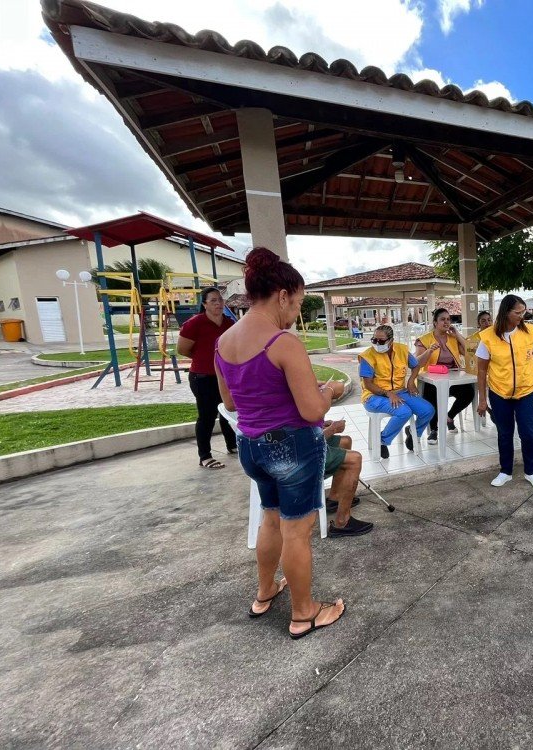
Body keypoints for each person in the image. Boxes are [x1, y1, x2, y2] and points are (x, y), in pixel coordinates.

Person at [215, 247, 347, 639]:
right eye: (300, 302)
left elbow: (231, 402)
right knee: (296, 530)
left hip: (253, 448)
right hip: (292, 449)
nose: (297, 313)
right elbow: (311, 411)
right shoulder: (282, 342)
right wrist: (332, 391)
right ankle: (304, 612)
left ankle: (265, 591)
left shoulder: (223, 342)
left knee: (270, 519)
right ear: (283, 295)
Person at [475, 295, 533, 490]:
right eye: (518, 312)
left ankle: (531, 471)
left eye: (523, 311)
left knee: (529, 434)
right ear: (506, 312)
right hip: (500, 394)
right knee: (504, 434)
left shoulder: (530, 332)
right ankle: (505, 471)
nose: (522, 316)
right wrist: (483, 399)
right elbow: (481, 371)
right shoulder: (488, 337)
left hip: (527, 392)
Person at [177, 287, 237, 469]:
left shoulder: (229, 323)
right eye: (213, 300)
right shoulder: (195, 323)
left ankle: (232, 445)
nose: (218, 303)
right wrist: (204, 359)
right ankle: (205, 456)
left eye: (220, 299)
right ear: (204, 304)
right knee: (207, 416)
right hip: (202, 377)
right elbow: (183, 349)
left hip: (225, 377)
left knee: (228, 412)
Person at [359, 324, 436, 459]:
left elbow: (416, 365)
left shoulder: (401, 350)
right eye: (374, 340)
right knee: (404, 411)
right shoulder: (367, 356)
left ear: (391, 340)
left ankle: (414, 433)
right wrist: (389, 394)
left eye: (381, 341)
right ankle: (382, 440)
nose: (377, 344)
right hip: (373, 396)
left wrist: (411, 381)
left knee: (428, 410)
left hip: (400, 391)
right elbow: (368, 384)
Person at [414, 308, 475, 445]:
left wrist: (457, 334)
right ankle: (434, 430)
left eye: (448, 319)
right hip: (431, 379)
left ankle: (449, 417)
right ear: (435, 322)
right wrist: (429, 351)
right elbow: (417, 363)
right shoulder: (424, 340)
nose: (446, 322)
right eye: (443, 319)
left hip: (453, 379)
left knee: (469, 392)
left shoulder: (453, 338)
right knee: (431, 394)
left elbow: (470, 351)